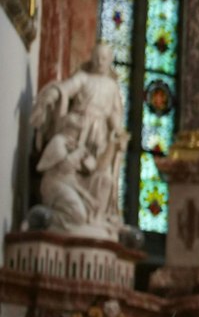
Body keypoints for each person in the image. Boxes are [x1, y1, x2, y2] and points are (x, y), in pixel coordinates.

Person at [31, 43, 128, 237]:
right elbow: (67, 88)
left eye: (104, 58)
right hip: (79, 130)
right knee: (72, 169)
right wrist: (54, 94)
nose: (100, 61)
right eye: (97, 57)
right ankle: (70, 215)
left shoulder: (112, 86)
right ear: (92, 57)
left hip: (99, 135)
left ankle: (96, 219)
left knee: (103, 176)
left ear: (110, 61)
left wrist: (118, 133)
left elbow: (115, 115)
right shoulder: (83, 78)